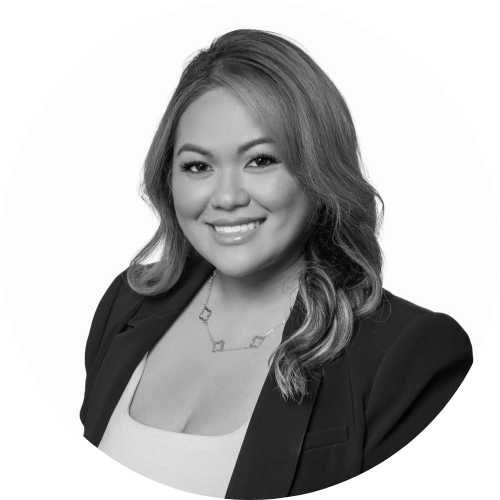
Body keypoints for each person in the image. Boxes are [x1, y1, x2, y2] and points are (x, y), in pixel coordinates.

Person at [80, 29, 473, 499]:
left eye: (261, 160)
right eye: (198, 166)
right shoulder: (128, 302)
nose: (227, 197)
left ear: (320, 172)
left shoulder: (408, 355)